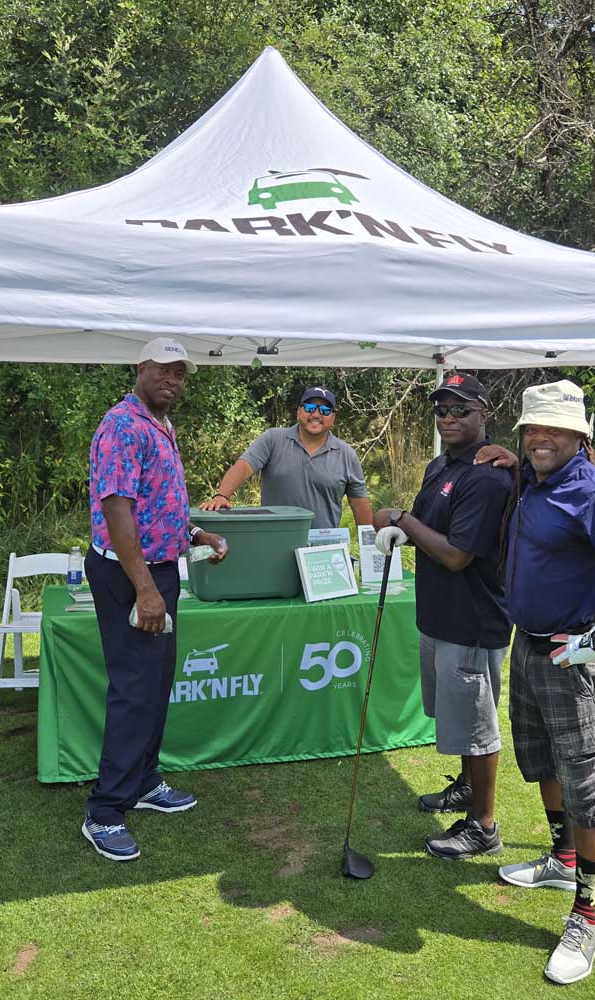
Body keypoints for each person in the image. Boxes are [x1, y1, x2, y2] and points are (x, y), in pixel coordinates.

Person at [491, 379, 595, 984]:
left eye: (554, 429)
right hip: (533, 646)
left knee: (588, 784)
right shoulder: (537, 480)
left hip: (578, 657)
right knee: (542, 760)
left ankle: (586, 915)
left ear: (580, 436)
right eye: (532, 428)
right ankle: (563, 857)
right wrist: (510, 458)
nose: (540, 437)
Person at [82, 338, 228, 862]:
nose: (173, 380)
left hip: (158, 571)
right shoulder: (121, 424)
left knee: (157, 679)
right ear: (140, 369)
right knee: (134, 688)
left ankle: (143, 781)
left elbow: (157, 505)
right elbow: (118, 510)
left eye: (180, 374)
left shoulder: (159, 426)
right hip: (130, 575)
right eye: (163, 370)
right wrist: (144, 590)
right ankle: (104, 812)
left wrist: (198, 535)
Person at [374, 373, 513, 860]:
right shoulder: (441, 466)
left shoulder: (489, 477)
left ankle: (484, 825)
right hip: (437, 614)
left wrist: (401, 521)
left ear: (484, 415)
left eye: (461, 410)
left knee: (477, 725)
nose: (449, 418)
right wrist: (400, 526)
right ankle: (466, 788)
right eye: (442, 411)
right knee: (453, 718)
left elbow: (456, 555)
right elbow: (423, 528)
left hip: (471, 622)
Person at [200, 386, 374, 528]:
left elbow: (359, 505)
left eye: (325, 410)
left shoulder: (346, 454)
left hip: (323, 554)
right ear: (299, 412)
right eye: (309, 408)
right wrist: (221, 496)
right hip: (276, 542)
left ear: (333, 418)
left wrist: (369, 549)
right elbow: (243, 467)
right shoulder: (273, 439)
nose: (316, 414)